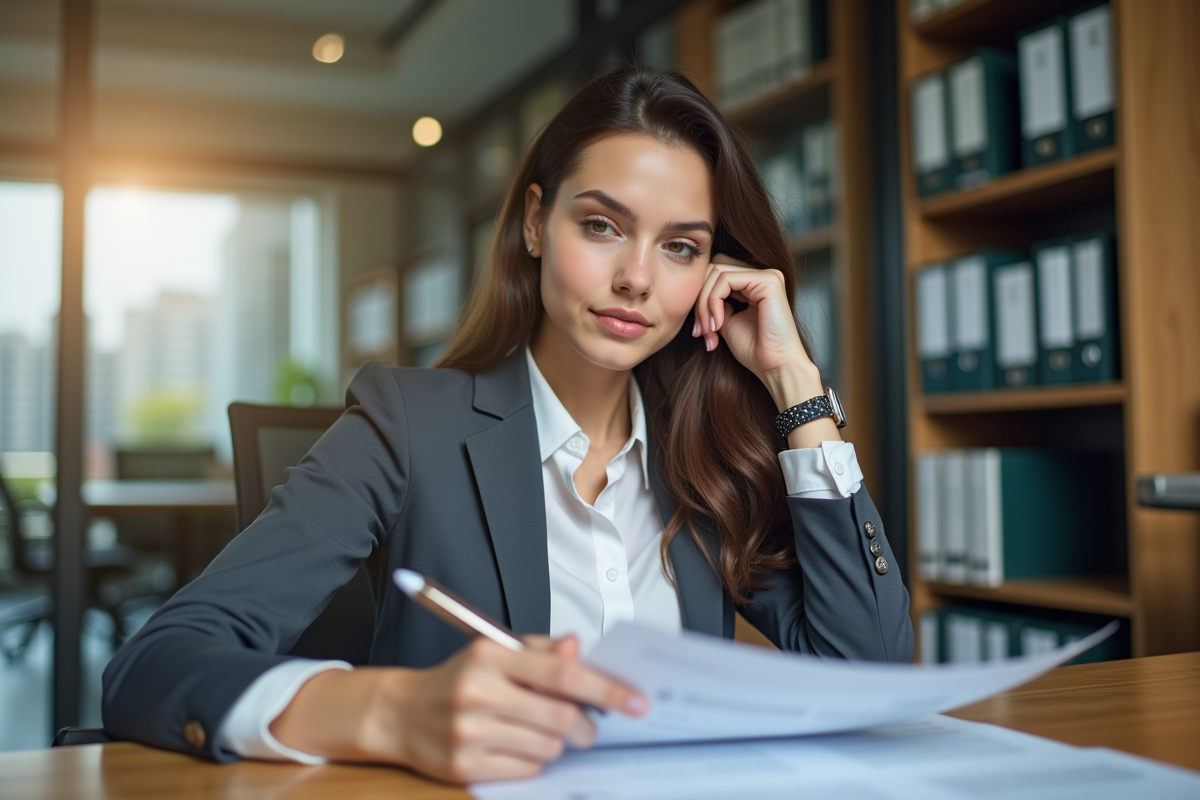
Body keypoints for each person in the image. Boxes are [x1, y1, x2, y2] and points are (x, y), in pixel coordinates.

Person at [102, 67, 913, 783]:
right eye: (602, 226)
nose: (635, 278)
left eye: (680, 247)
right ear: (535, 222)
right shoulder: (406, 423)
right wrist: (390, 710)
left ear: (711, 271)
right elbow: (155, 664)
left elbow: (866, 672)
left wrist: (793, 382)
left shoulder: (705, 456)